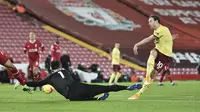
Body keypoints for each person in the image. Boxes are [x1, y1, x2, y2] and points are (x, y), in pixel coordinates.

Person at [26, 60, 142, 101]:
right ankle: (127, 87)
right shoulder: (66, 71)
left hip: (71, 95)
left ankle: (97, 99)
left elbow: (37, 83)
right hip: (78, 86)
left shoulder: (49, 78)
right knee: (104, 87)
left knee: (80, 99)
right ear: (60, 65)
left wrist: (23, 82)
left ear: (51, 68)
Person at [128, 15, 178, 100]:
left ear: (156, 21)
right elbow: (166, 39)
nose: (149, 23)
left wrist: (136, 45)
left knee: (153, 74)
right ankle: (147, 75)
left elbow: (148, 39)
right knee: (153, 52)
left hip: (165, 56)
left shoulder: (162, 29)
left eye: (150, 21)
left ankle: (139, 94)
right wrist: (171, 38)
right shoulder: (159, 31)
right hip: (158, 50)